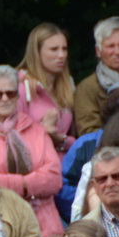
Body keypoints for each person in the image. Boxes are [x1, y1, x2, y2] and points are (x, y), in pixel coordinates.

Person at [0, 63, 63, 237]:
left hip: (44, 228)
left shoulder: (36, 130)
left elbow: (54, 178)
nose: (5, 98)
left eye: (11, 93)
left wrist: (15, 184)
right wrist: (29, 185)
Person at [16, 23, 75, 154]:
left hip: (65, 167)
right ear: (37, 53)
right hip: (36, 167)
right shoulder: (21, 88)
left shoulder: (68, 87)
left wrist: (61, 140)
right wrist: (43, 130)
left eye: (64, 49)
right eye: (54, 49)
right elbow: (14, 140)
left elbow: (76, 140)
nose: (61, 55)